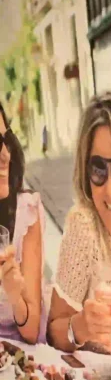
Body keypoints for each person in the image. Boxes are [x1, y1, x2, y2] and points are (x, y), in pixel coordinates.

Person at [48, 93, 111, 356]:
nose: (110, 190)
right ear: (85, 173)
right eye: (98, 170)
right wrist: (81, 326)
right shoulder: (83, 226)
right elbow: (54, 331)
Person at [0, 100, 44, 345]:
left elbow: (31, 330)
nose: (5, 154)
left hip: (17, 353)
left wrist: (16, 298)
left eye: (5, 140)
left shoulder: (27, 212)